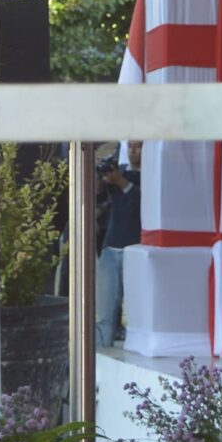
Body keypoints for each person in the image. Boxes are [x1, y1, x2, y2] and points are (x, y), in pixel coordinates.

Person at [94, 148, 139, 347]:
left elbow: (142, 201)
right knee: (105, 314)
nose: (133, 151)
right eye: (130, 146)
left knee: (137, 315)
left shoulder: (152, 175)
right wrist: (99, 173)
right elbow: (96, 192)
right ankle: (101, 361)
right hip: (111, 248)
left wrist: (120, 181)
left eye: (138, 146)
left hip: (138, 253)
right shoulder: (119, 173)